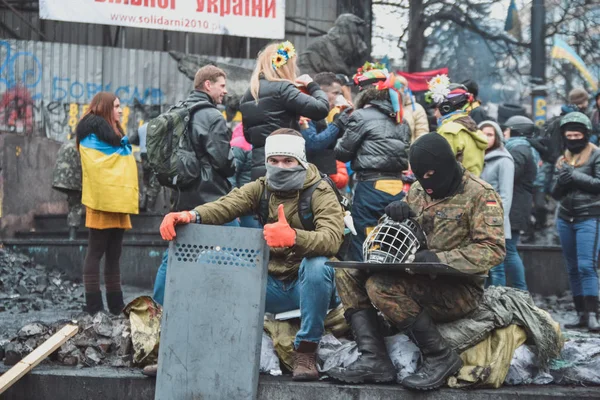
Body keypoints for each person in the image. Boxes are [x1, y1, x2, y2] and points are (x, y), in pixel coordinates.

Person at [159, 129, 345, 380]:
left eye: (288, 160)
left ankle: (306, 350)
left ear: (301, 161)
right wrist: (190, 215)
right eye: (274, 161)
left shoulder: (320, 191)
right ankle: (194, 345)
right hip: (272, 285)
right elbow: (227, 205)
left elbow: (332, 239)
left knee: (318, 264)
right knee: (210, 259)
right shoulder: (262, 188)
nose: (281, 166)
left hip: (309, 289)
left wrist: (294, 237)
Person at [328, 133, 505, 389]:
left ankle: (440, 356)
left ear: (446, 166)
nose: (427, 184)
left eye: (431, 175)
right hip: (415, 275)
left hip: (458, 289)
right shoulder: (421, 190)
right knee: (348, 273)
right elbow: (399, 224)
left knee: (380, 286)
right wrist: (395, 212)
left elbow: (493, 249)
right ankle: (374, 358)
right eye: (421, 177)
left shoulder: (480, 195)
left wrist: (439, 259)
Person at [151, 65, 237, 306]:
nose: (225, 92)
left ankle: (159, 308)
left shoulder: (179, 110)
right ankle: (228, 304)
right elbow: (222, 160)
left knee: (177, 253)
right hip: (210, 196)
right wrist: (235, 160)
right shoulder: (211, 116)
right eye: (222, 86)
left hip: (181, 195)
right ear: (208, 85)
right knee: (239, 243)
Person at [334, 62, 411, 262]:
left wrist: (339, 125)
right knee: (392, 239)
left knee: (365, 237)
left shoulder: (360, 116)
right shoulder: (401, 120)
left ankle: (362, 288)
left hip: (370, 187)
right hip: (397, 186)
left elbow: (342, 153)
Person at [77, 92, 139, 315]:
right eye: (116, 106)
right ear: (104, 108)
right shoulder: (91, 135)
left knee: (114, 253)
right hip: (101, 201)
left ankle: (115, 306)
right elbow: (97, 166)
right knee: (96, 251)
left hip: (118, 200)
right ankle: (94, 307)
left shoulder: (116, 135)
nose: (120, 110)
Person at [240, 41, 330, 180]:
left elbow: (248, 136)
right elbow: (321, 109)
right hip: (286, 167)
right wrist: (313, 86)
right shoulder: (283, 88)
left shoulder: (249, 93)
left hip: (259, 168)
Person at [551, 112, 600, 332]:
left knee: (586, 266)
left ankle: (593, 315)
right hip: (565, 217)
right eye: (569, 135)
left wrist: (575, 176)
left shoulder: (596, 155)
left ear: (586, 134)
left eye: (577, 134)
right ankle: (580, 313)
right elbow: (554, 193)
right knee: (571, 268)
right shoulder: (562, 158)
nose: (573, 138)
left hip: (589, 215)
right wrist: (561, 182)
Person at [502, 116, 538, 291]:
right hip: (518, 205)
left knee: (509, 250)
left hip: (515, 207)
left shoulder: (518, 150)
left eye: (507, 130)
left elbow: (510, 176)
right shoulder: (523, 149)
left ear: (516, 131)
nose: (503, 134)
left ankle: (521, 291)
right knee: (509, 249)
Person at [426, 75, 487, 176]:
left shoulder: (449, 131)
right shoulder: (472, 127)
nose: (435, 114)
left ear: (445, 108)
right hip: (472, 187)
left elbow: (440, 168)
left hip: (454, 189)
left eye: (437, 109)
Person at [479, 120, 514, 286]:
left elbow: (506, 195)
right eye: (483, 134)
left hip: (495, 220)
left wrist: (497, 221)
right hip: (477, 219)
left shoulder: (504, 160)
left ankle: (497, 303)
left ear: (497, 137)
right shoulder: (476, 158)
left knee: (496, 267)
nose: (486, 138)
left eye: (490, 134)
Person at [299, 72, 352, 175]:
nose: (338, 98)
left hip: (322, 174)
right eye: (335, 93)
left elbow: (331, 145)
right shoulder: (307, 110)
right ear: (321, 92)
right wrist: (337, 124)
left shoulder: (324, 113)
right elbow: (313, 144)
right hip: (310, 177)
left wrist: (343, 121)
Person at [229, 123, 261, 228]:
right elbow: (231, 177)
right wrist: (234, 208)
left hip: (256, 206)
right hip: (244, 207)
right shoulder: (239, 144)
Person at [52, 138, 83, 240]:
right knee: (76, 205)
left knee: (73, 202)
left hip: (61, 178)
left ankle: (72, 234)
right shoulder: (84, 145)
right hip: (73, 178)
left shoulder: (69, 143)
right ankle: (72, 236)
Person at [396, 75, 429, 142]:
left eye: (402, 86)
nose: (400, 90)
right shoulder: (387, 107)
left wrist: (414, 151)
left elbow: (422, 134)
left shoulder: (417, 109)